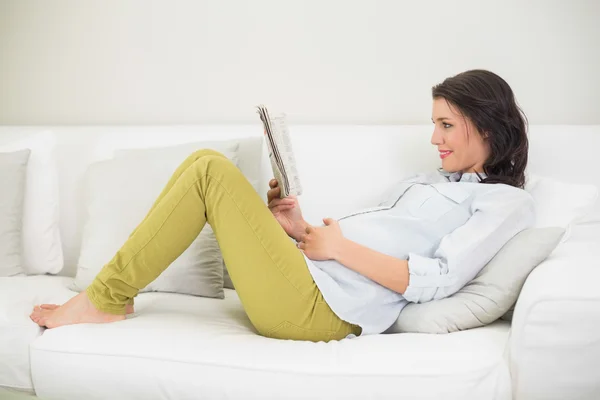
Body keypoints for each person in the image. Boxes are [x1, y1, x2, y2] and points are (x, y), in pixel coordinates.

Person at [30, 69, 534, 342]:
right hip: (309, 279)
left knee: (209, 171)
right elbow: (340, 248)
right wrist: (297, 229)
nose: (434, 137)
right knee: (204, 162)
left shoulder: (505, 204)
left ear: (486, 124)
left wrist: (337, 250)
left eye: (446, 124)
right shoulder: (424, 182)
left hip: (323, 312)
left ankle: (104, 298)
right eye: (435, 124)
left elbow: (437, 279)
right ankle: (109, 297)